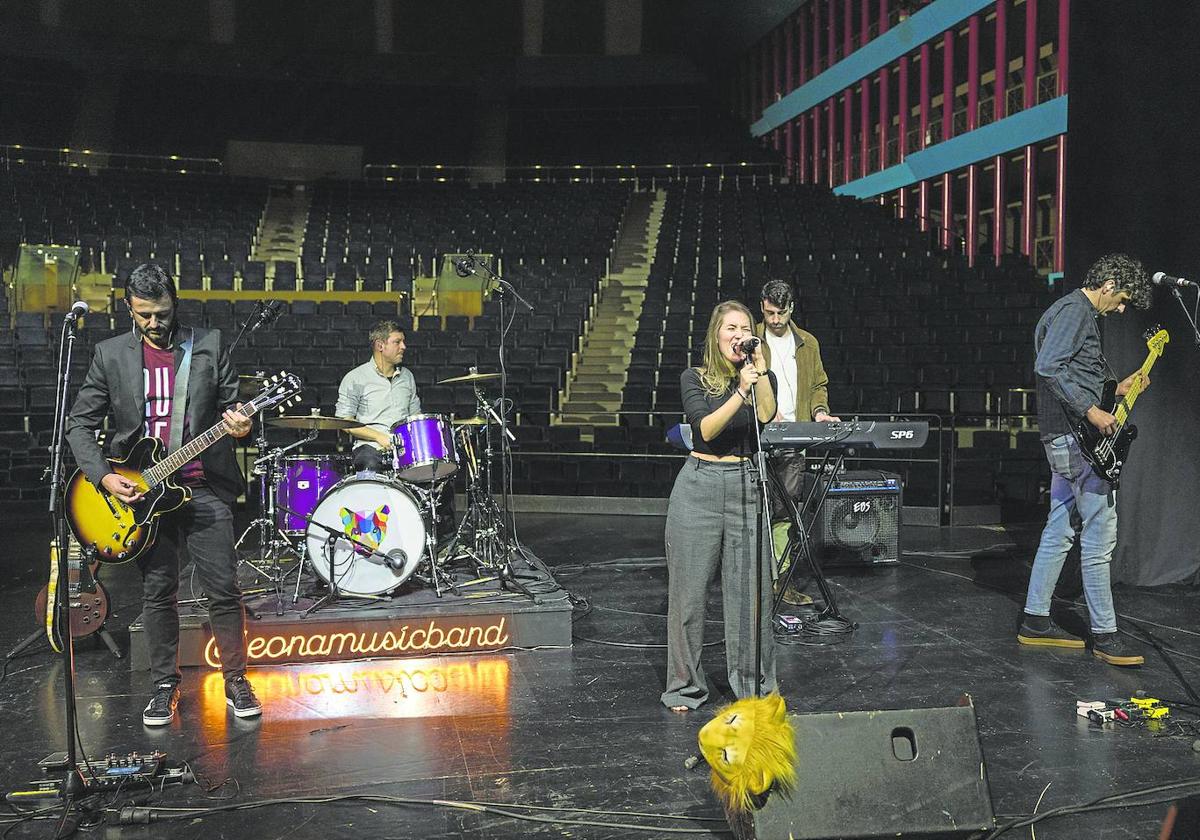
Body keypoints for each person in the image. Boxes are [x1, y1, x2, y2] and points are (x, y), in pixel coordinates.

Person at [66, 262, 261, 725]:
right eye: (144, 315)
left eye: (162, 312)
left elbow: (240, 415)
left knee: (223, 590)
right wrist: (104, 477)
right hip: (138, 497)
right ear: (130, 311)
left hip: (202, 487)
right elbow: (80, 424)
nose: (154, 323)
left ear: (175, 304)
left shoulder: (208, 346)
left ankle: (235, 679)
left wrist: (244, 426)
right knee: (158, 593)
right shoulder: (109, 355)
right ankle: (164, 686)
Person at [1017, 253, 1152, 666]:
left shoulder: (1074, 313)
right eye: (1124, 298)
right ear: (1109, 284)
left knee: (1059, 527)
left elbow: (1076, 374)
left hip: (1064, 438)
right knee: (1099, 534)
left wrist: (1117, 388)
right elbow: (1048, 366)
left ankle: (1035, 620)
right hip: (1074, 438)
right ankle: (1105, 634)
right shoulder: (1077, 311)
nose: (1122, 308)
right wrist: (1092, 411)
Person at [662, 300, 778, 712]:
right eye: (730, 327)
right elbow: (707, 428)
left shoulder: (759, 377)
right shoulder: (694, 378)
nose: (738, 334)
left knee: (750, 595)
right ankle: (684, 687)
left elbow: (767, 413)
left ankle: (754, 686)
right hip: (700, 486)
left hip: (746, 484)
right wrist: (739, 391)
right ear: (716, 335)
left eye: (744, 327)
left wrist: (758, 371)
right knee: (689, 596)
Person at [754, 279, 838, 603]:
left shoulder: (808, 343)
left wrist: (819, 412)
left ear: (792, 308)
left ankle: (780, 582)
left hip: (794, 437)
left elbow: (819, 384)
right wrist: (764, 411)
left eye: (781, 313)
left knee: (786, 512)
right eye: (770, 312)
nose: (775, 319)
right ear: (762, 305)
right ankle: (759, 580)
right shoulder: (752, 341)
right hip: (761, 438)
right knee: (759, 510)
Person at [335, 320, 422, 473]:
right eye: (397, 342)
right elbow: (345, 421)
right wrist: (378, 436)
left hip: (405, 447)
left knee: (439, 473)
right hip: (370, 446)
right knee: (369, 463)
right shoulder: (355, 378)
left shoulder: (407, 376)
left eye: (403, 342)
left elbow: (415, 416)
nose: (403, 347)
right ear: (380, 345)